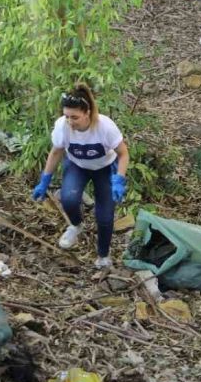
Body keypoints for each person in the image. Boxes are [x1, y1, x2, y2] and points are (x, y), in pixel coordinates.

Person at [31, 84, 129, 268]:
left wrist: (119, 179)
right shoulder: (63, 126)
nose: (70, 122)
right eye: (67, 116)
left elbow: (124, 153)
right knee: (68, 199)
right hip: (77, 165)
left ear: (88, 113)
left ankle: (103, 256)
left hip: (105, 168)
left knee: (105, 216)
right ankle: (76, 226)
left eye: (74, 117)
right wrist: (45, 180)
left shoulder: (105, 127)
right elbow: (56, 152)